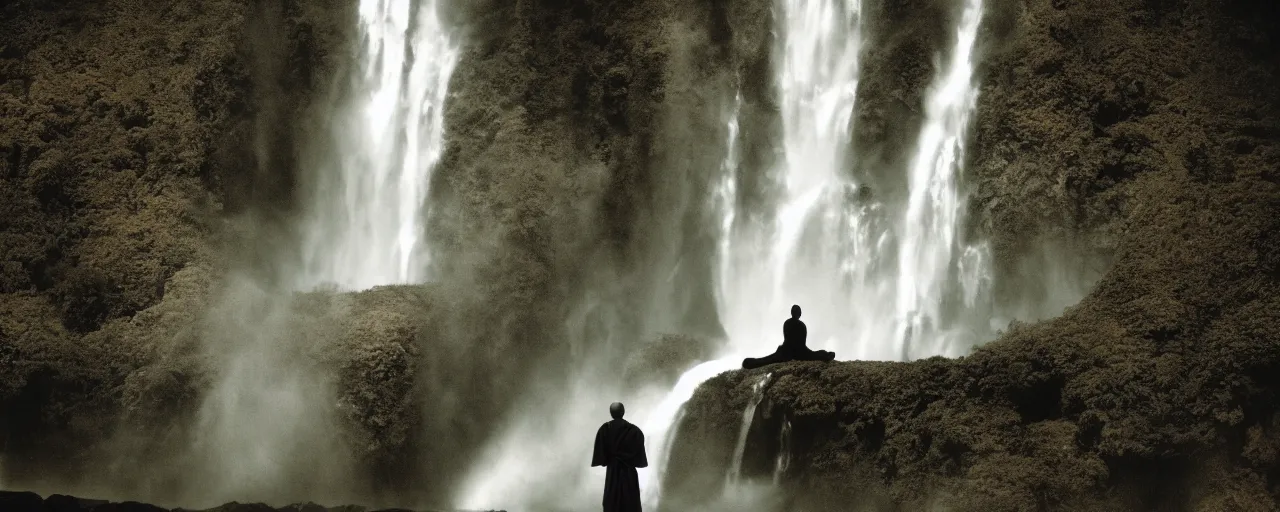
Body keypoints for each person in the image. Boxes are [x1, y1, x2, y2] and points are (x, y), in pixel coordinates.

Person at [592, 402, 649, 512]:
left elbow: (601, 454)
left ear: (611, 413)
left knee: (612, 500)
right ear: (623, 412)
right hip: (628, 472)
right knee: (630, 500)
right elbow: (639, 455)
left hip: (612, 471)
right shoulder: (634, 431)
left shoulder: (605, 429)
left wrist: (608, 459)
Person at [742, 305, 836, 369]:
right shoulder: (801, 325)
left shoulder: (787, 323)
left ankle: (749, 362)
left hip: (786, 351)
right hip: (798, 352)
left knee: (766, 360)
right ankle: (826, 355)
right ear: (799, 314)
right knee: (816, 354)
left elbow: (787, 339)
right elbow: (802, 343)